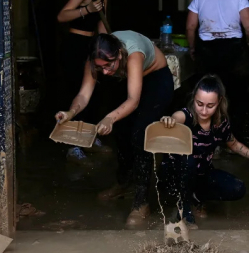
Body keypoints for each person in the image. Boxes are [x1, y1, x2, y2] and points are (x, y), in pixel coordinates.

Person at [55, 31, 174, 229]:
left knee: (140, 134)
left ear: (119, 54)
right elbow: (84, 95)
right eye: (100, 68)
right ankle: (123, 182)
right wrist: (70, 113)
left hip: (155, 80)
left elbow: (133, 101)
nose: (105, 73)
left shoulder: (134, 54)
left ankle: (141, 202)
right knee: (121, 132)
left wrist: (109, 117)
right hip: (126, 79)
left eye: (108, 66)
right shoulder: (97, 60)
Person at [157, 75, 249, 229]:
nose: (203, 110)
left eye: (210, 105)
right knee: (189, 160)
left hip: (201, 173)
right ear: (194, 98)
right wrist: (170, 120)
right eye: (199, 104)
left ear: (219, 102)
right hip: (175, 174)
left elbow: (234, 145)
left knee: (237, 188)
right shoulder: (187, 116)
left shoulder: (220, 123)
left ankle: (195, 197)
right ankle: (185, 209)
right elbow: (176, 117)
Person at [56, 0, 126, 165]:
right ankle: (73, 146)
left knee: (95, 92)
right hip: (74, 44)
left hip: (92, 45)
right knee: (76, 93)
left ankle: (89, 138)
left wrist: (112, 47)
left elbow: (101, 27)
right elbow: (62, 16)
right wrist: (85, 9)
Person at [185, 0, 249, 142]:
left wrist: (193, 48)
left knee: (207, 97)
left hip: (207, 53)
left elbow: (191, 26)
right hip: (234, 51)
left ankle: (207, 139)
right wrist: (247, 44)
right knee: (236, 97)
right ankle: (234, 140)